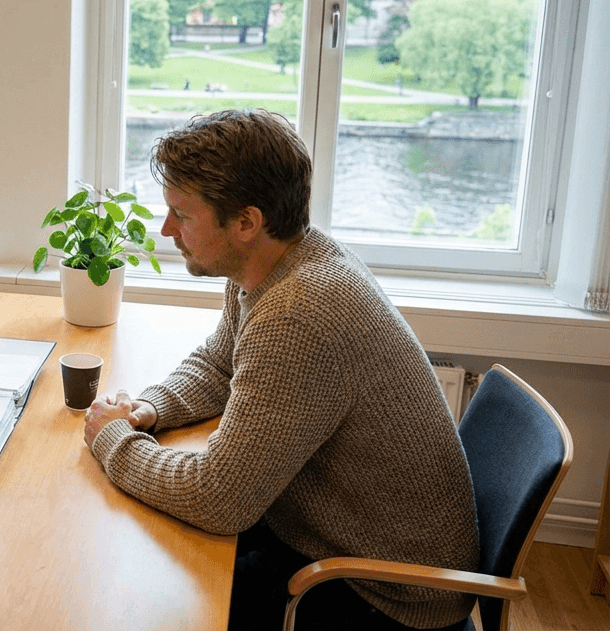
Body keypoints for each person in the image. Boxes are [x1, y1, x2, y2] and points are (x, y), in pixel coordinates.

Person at [82, 109, 478, 631]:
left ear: (246, 222)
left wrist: (113, 441)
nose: (166, 229)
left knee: (144, 598)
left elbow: (220, 498)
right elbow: (220, 365)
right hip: (321, 533)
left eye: (182, 214)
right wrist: (148, 409)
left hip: (386, 595)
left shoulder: (299, 312)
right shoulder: (270, 263)